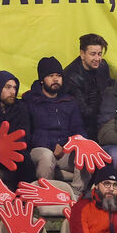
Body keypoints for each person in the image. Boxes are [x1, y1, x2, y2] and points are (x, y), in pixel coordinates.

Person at [23, 56, 85, 185]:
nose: (55, 79)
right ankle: (45, 196)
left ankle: (76, 193)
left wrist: (71, 145)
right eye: (51, 75)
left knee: (85, 154)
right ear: (42, 80)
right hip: (39, 150)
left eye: (58, 75)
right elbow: (26, 134)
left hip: (65, 150)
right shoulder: (30, 100)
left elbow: (78, 129)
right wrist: (52, 145)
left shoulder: (69, 101)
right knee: (47, 156)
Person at [64, 33, 113, 140]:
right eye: (93, 54)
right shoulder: (71, 76)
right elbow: (84, 113)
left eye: (99, 54)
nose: (97, 58)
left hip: (104, 119)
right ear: (82, 54)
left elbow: (109, 87)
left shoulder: (103, 66)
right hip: (83, 128)